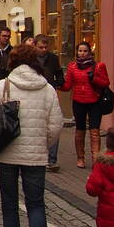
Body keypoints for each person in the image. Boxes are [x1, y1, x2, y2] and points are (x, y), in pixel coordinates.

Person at [0, 44, 64, 227]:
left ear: (13, 61)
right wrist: (44, 144)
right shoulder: (47, 89)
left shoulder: (3, 86)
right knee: (35, 202)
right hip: (35, 157)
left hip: (7, 153)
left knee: (9, 201)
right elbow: (56, 126)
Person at [62, 41, 110, 168]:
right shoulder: (72, 67)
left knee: (94, 131)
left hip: (95, 101)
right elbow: (67, 85)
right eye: (80, 51)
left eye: (85, 51)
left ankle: (96, 159)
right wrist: (58, 84)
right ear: (77, 52)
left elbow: (105, 82)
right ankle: (80, 158)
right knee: (80, 130)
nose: (82, 53)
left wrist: (94, 78)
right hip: (78, 101)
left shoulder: (99, 66)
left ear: (90, 52)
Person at [34, 35, 66, 172]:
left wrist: (57, 84)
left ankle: (52, 160)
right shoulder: (29, 58)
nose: (43, 50)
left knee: (54, 125)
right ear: (35, 46)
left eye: (45, 47)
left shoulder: (52, 58)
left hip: (50, 95)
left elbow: (59, 74)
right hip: (34, 95)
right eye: (41, 47)